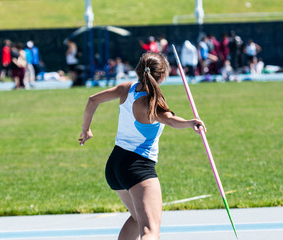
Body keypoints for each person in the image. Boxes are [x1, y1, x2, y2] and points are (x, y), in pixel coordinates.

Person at [78, 52, 206, 240]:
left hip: (114, 165)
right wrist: (189, 123)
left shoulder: (126, 88)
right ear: (162, 76)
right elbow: (170, 120)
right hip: (138, 167)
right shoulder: (152, 102)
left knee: (138, 219)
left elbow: (92, 100)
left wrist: (86, 129)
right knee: (150, 232)